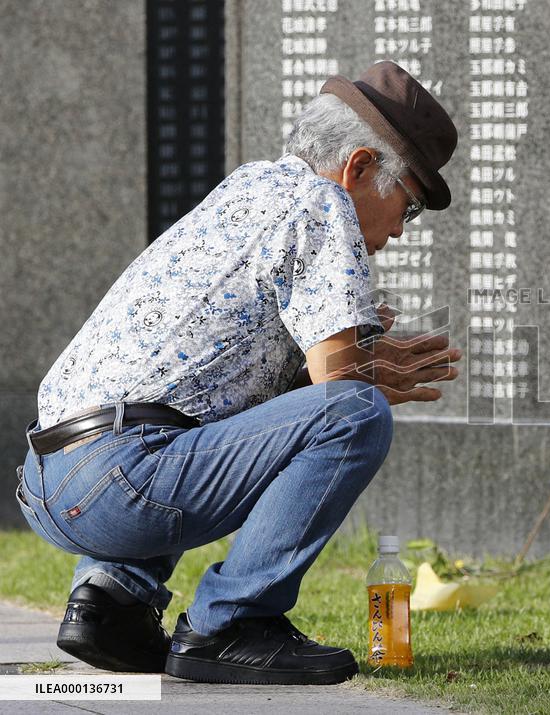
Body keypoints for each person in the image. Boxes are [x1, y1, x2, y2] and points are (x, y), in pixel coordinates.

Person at [14, 61, 461, 685]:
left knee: (198, 407)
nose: (396, 233)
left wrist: (339, 368)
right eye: (406, 207)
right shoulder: (322, 201)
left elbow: (224, 386)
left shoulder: (251, 186)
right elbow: (341, 392)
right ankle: (233, 624)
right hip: (119, 479)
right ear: (358, 167)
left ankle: (111, 602)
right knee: (356, 414)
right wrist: (365, 373)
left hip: (47, 476)